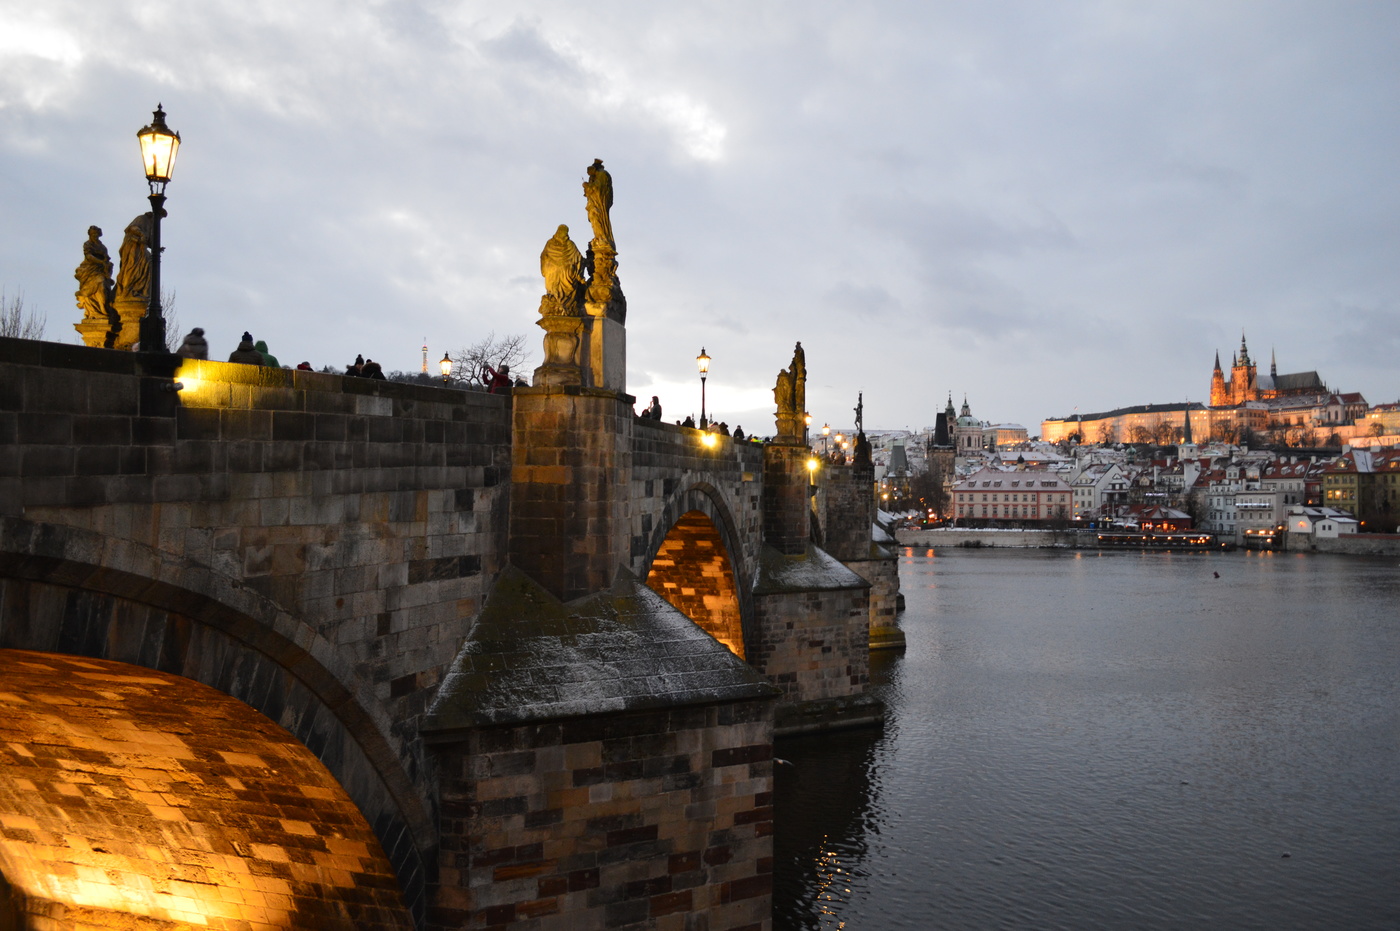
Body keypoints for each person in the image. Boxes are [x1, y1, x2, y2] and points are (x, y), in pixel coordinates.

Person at [74, 226, 113, 320]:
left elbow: (106, 258)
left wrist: (106, 264)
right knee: (98, 285)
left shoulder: (103, 247)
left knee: (103, 287)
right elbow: (89, 256)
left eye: (96, 234)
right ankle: (95, 311)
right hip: (89, 269)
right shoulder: (87, 244)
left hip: (101, 270)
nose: (94, 236)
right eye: (92, 234)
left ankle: (102, 309)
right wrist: (101, 262)